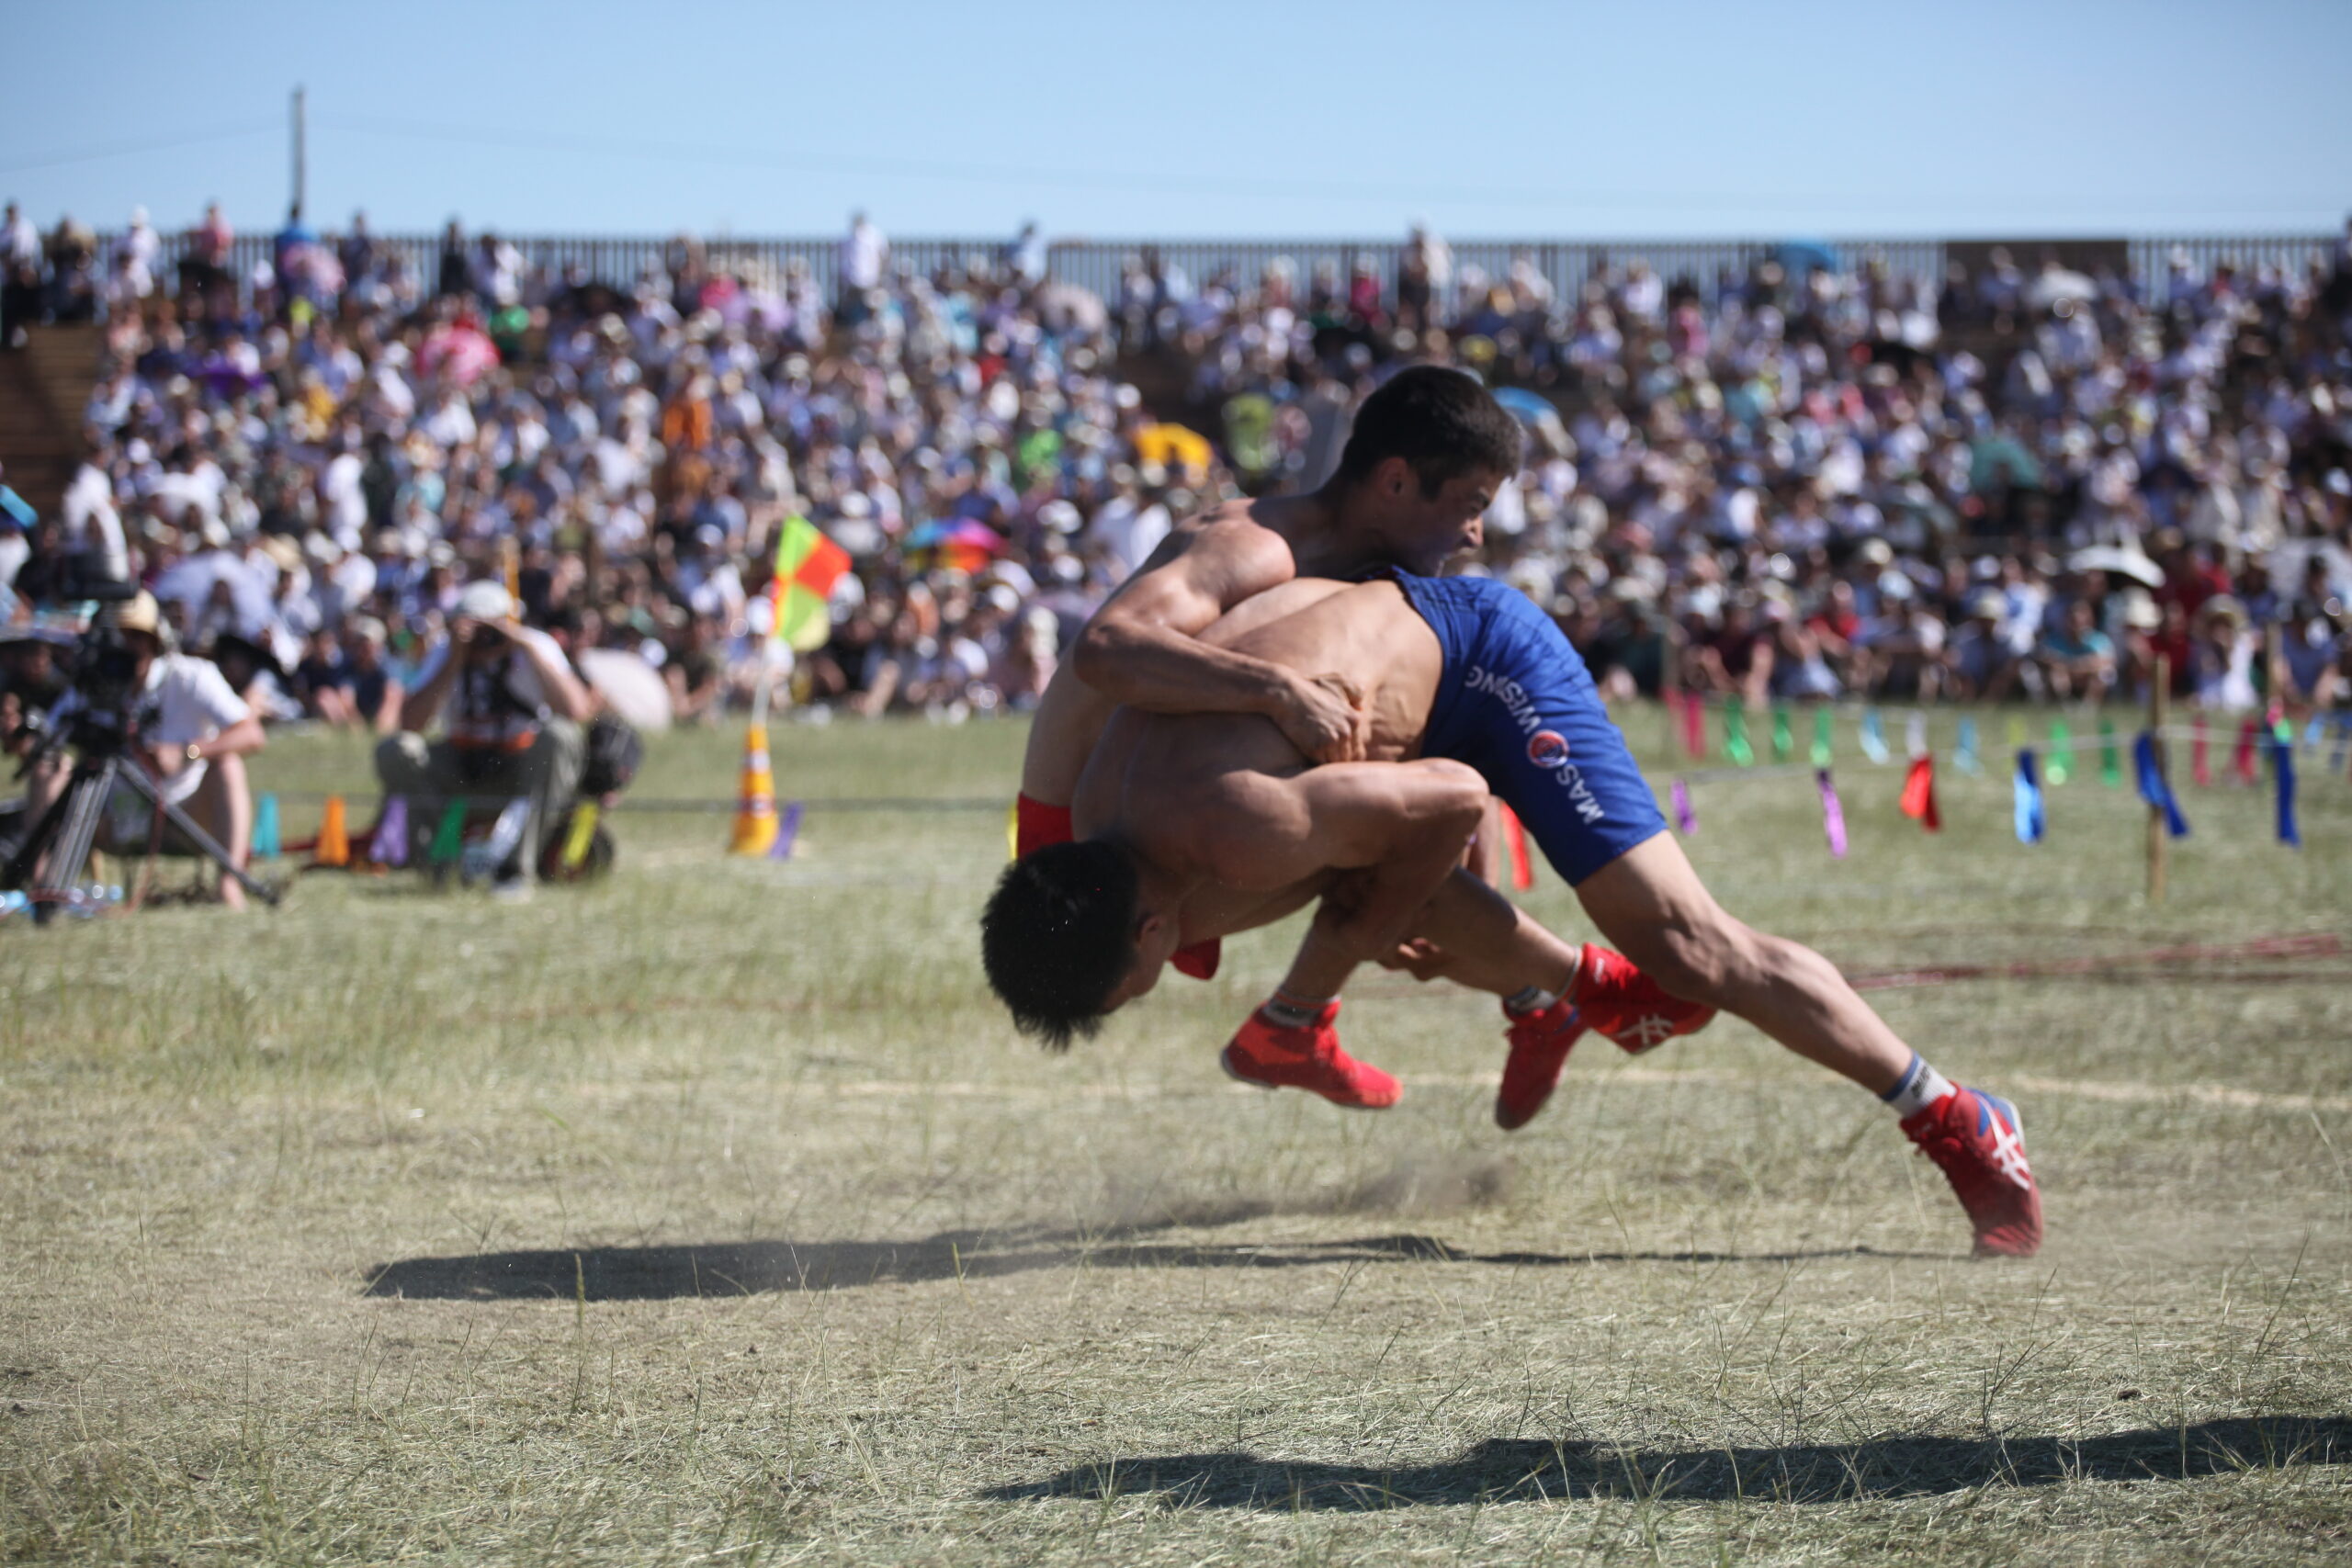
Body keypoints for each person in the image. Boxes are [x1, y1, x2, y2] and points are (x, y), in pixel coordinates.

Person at [1003, 369, 2041, 1258]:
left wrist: (1279, 719)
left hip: (1485, 666)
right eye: (1473, 501)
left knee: (1686, 945)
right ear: (1398, 481)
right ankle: (1557, 995)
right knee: (1369, 881)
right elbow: (1090, 674)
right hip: (1341, 731)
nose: (1480, 528)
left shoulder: (1275, 618)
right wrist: (1046, 853)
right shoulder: (1243, 559)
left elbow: (1443, 802)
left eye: (1485, 501)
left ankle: (1954, 1114)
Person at [18, 592, 266, 908]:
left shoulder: (189, 676)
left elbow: (252, 733)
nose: (125, 647)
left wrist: (189, 751)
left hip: (182, 811)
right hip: (107, 816)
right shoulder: (92, 683)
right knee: (48, 769)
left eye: (135, 636)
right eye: (117, 636)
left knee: (228, 765)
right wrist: (24, 739)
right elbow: (51, 737)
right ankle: (42, 888)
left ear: (154, 640)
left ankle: (228, 887)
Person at [373, 580, 592, 896]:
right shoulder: (446, 652)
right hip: (463, 763)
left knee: (560, 735)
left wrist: (522, 645)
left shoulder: (535, 645)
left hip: (521, 764)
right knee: (396, 750)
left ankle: (515, 870)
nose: (483, 639)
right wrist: (454, 659)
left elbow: (575, 711)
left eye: (490, 628)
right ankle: (439, 862)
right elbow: (410, 724)